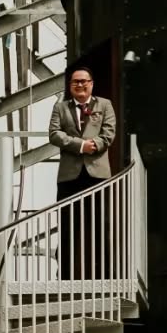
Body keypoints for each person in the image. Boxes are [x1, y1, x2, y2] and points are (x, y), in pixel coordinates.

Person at [48, 66, 117, 278]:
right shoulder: (61, 108)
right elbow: (54, 134)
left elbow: (109, 133)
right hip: (69, 177)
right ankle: (66, 275)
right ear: (70, 86)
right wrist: (80, 145)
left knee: (100, 226)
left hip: (97, 175)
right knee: (68, 227)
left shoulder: (105, 105)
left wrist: (93, 145)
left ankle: (105, 275)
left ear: (91, 84)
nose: (80, 85)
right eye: (75, 82)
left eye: (84, 81)